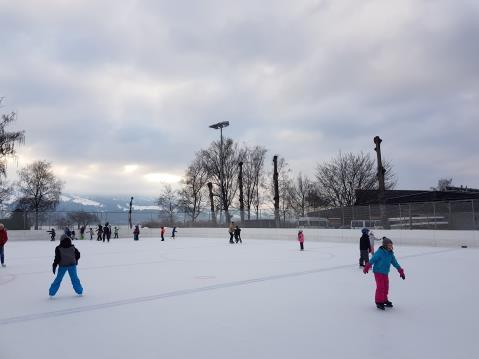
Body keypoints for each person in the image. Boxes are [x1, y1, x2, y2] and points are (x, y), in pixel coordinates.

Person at [363, 237, 405, 310]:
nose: (390, 247)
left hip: (385, 273)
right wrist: (367, 267)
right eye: (389, 245)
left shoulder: (390, 254)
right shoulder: (379, 252)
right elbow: (372, 260)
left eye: (391, 245)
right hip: (378, 272)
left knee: (386, 287)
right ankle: (379, 301)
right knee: (380, 287)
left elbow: (395, 263)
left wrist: (400, 271)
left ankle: (384, 299)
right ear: (385, 245)